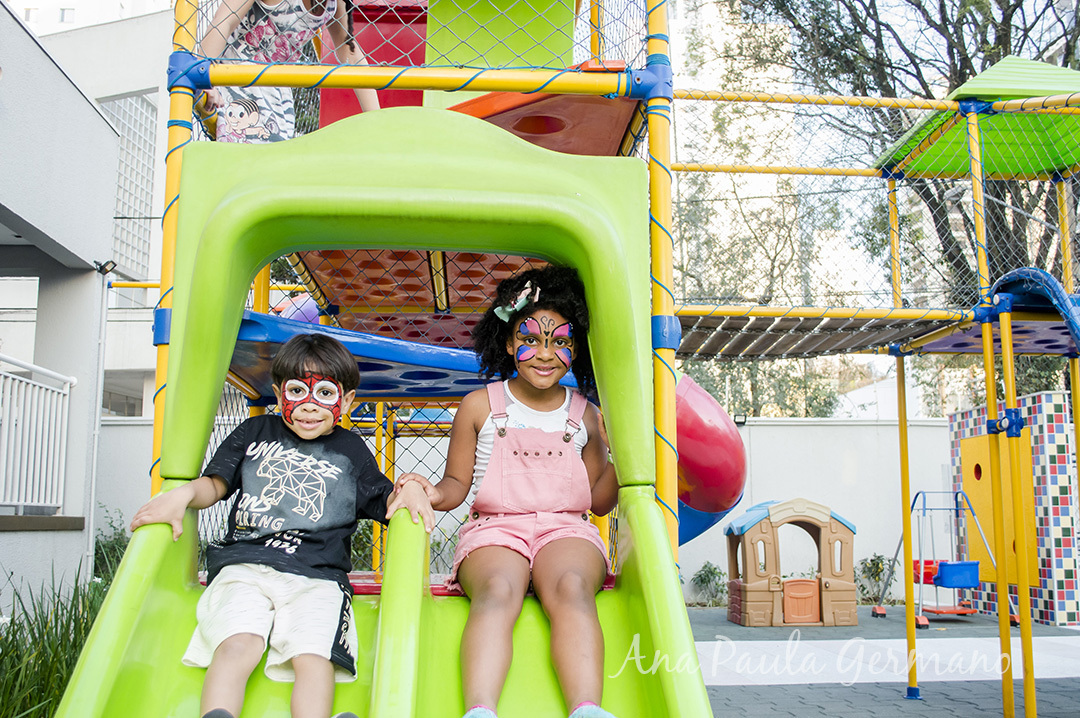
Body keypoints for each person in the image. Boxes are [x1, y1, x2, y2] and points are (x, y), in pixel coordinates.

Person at [130, 333, 433, 718]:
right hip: (245, 567)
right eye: (296, 391)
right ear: (277, 394)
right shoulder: (253, 433)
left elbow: (385, 501)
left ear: (347, 400)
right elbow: (216, 484)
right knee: (238, 643)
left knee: (313, 655)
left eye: (324, 394)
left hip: (318, 575)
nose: (309, 406)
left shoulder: (351, 450)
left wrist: (411, 489)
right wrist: (184, 494)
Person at [396, 266, 620, 718]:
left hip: (566, 529)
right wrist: (426, 490)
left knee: (572, 586)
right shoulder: (481, 405)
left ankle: (587, 709)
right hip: (496, 529)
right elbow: (456, 486)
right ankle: (481, 709)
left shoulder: (588, 414)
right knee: (497, 589)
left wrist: (623, 458)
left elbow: (599, 501)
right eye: (531, 338)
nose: (545, 353)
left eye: (561, 341)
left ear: (576, 349)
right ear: (508, 341)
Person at [196, 0, 380, 143]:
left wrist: (376, 120)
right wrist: (203, 76)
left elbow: (350, 52)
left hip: (276, 87)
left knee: (276, 161)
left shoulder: (334, 4)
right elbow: (224, 21)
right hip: (236, 72)